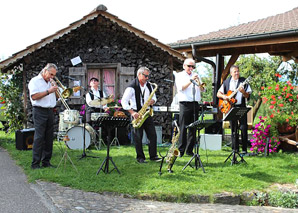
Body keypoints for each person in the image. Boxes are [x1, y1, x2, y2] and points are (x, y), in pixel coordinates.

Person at [121, 67, 161, 163]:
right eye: (145, 76)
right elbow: (124, 101)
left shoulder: (150, 86)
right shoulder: (131, 87)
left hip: (147, 113)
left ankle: (153, 156)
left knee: (153, 135)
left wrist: (153, 101)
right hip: (137, 113)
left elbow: (154, 97)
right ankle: (140, 157)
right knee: (138, 136)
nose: (147, 78)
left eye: (148, 76)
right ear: (139, 75)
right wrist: (132, 113)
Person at [28, 63, 58, 169]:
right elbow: (34, 96)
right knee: (39, 137)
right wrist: (48, 91)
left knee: (49, 137)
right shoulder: (34, 81)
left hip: (50, 111)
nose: (52, 77)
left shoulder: (51, 82)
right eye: (51, 74)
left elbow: (59, 96)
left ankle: (46, 162)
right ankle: (35, 164)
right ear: (45, 71)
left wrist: (55, 88)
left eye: (54, 75)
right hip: (39, 110)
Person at [217, 65, 252, 154]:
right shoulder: (226, 82)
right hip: (231, 108)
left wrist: (243, 92)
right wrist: (225, 96)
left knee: (243, 127)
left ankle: (244, 150)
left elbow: (248, 95)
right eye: (235, 72)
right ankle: (235, 149)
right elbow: (218, 94)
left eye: (238, 71)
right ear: (231, 73)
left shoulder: (243, 81)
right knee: (233, 128)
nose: (237, 73)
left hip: (241, 106)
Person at [175, 58, 205, 157]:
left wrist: (199, 81)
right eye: (189, 66)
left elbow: (202, 89)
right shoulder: (179, 75)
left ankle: (189, 150)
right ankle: (181, 150)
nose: (191, 68)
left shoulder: (196, 75)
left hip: (195, 103)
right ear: (184, 66)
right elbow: (181, 88)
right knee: (183, 127)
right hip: (184, 103)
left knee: (193, 127)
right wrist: (191, 80)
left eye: (193, 66)